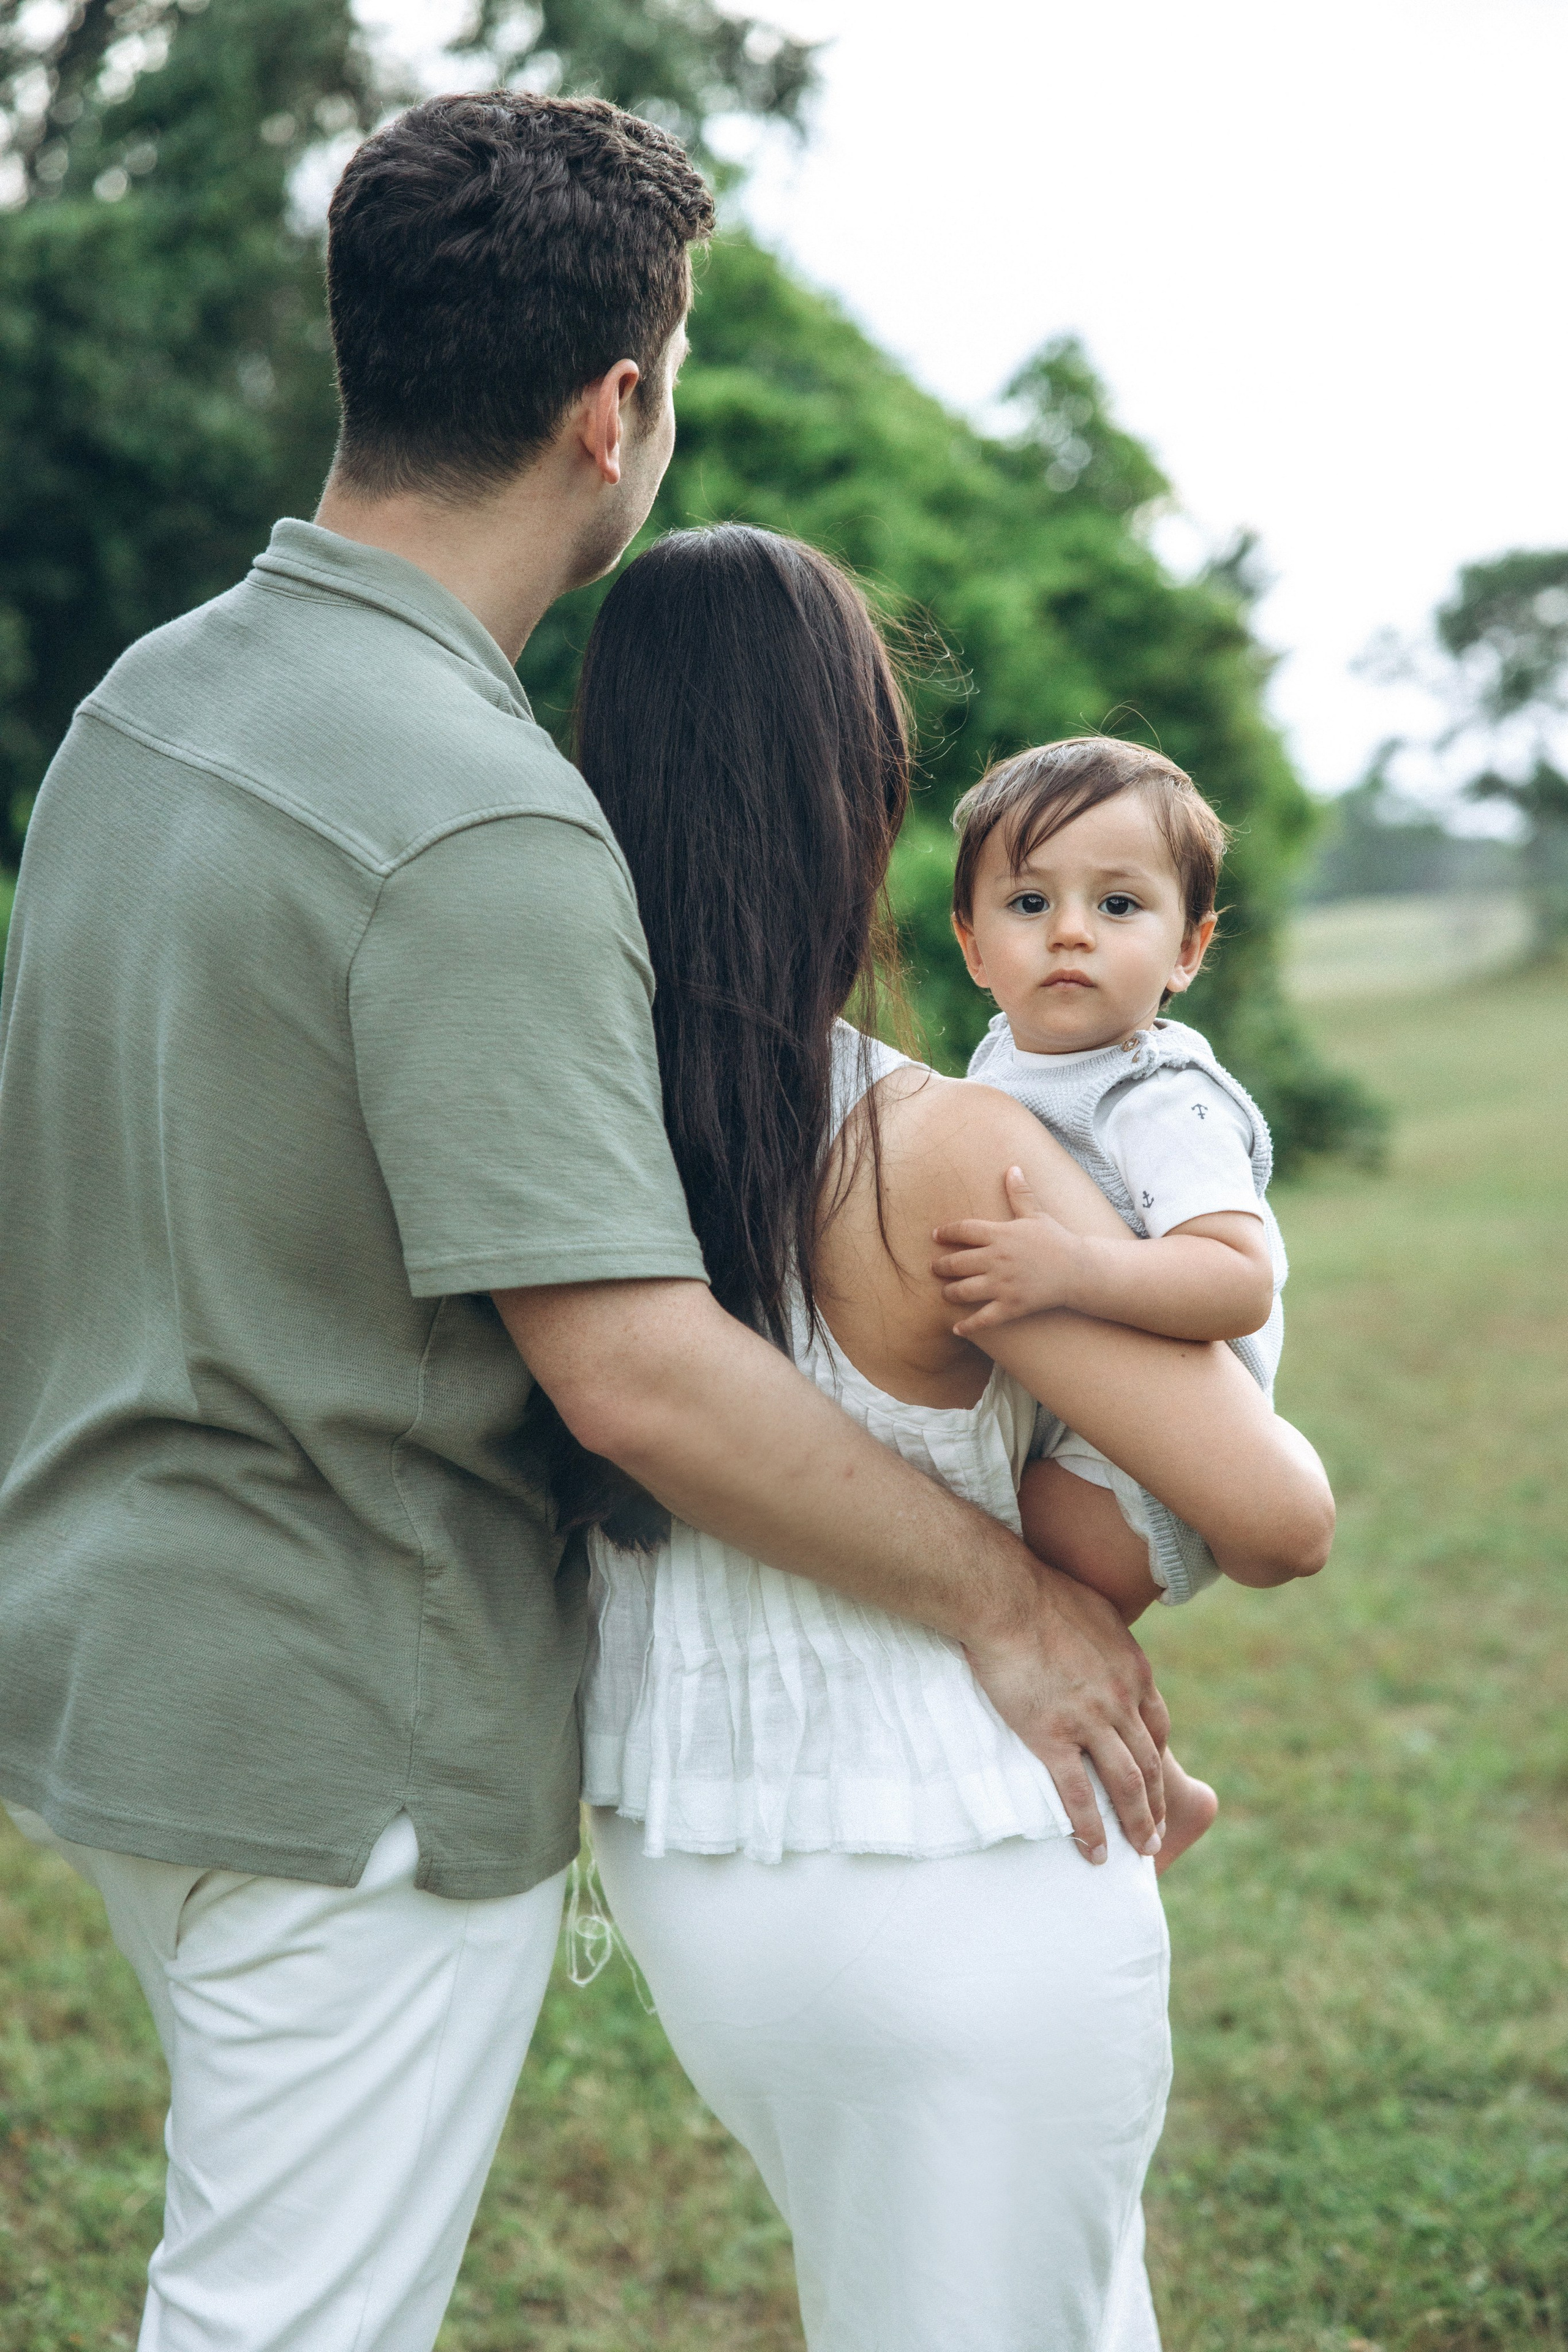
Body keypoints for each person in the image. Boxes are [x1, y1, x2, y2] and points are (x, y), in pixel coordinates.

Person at [0, 91, 1232, 2352]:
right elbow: (637, 1364)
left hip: (105, 1671)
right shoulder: (476, 819)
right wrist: (1010, 1606)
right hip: (338, 1721)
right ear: (617, 406)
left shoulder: (138, 710)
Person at [571, 524, 1334, 2351]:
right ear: (866, 799)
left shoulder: (550, 1120)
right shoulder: (947, 1150)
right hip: (965, 1855)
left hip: (691, 1858)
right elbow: (1274, 1512)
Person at [932, 736, 1293, 1864]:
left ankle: (1111, 1795)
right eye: (1030, 900)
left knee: (995, 1580)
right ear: (973, 945)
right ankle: (1168, 1788)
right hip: (1079, 1414)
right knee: (1011, 1593)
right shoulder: (998, 1064)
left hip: (1150, 1453)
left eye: (1120, 903)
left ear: (1189, 949)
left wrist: (1075, 1270)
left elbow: (1237, 1279)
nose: (1072, 931)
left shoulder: (1158, 1096)